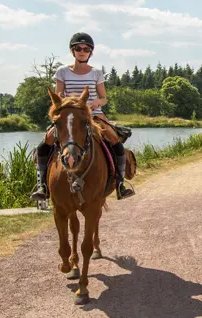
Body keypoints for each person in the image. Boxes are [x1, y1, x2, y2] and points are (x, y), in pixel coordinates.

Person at [29, 32, 135, 201]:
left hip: (94, 115)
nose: (82, 51)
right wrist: (71, 104)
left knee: (114, 141)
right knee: (45, 144)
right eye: (78, 48)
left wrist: (94, 104)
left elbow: (103, 98)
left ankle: (120, 184)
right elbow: (59, 95)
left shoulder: (96, 73)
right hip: (69, 114)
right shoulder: (62, 72)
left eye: (86, 49)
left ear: (90, 52)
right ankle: (43, 186)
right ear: (73, 51)